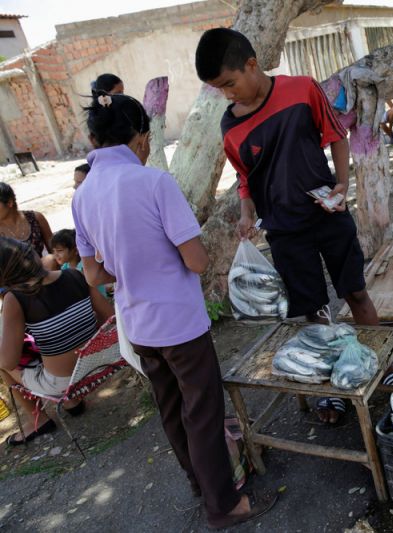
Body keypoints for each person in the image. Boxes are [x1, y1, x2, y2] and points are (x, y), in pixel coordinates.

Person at [72, 90, 274, 528]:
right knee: (201, 412)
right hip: (179, 324)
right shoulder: (154, 183)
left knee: (171, 409)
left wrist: (125, 268)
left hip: (139, 326)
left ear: (94, 139)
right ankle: (224, 505)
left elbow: (92, 276)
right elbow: (196, 260)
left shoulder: (83, 195)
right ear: (142, 138)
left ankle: (200, 484)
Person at [195, 28, 379, 425]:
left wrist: (342, 183)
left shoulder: (301, 90)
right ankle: (333, 393)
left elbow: (336, 134)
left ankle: (380, 366)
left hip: (329, 216)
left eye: (229, 83)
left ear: (251, 65)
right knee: (314, 312)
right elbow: (246, 177)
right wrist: (246, 212)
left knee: (357, 293)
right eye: (219, 90)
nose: (228, 94)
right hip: (284, 231)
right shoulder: (231, 129)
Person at [0, 238, 113, 445]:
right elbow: (110, 317)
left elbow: (8, 361)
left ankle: (38, 421)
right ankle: (72, 404)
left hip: (64, 383)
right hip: (102, 363)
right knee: (44, 342)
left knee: (3, 365)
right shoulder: (74, 274)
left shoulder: (15, 298)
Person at [50, 229, 110, 297]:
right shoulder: (65, 267)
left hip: (98, 300)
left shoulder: (84, 268)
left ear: (76, 250)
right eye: (54, 251)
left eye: (59, 250)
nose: (55, 254)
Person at [0, 182, 53, 258]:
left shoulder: (36, 218)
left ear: (9, 203)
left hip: (42, 268)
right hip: (12, 270)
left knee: (50, 260)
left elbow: (55, 251)